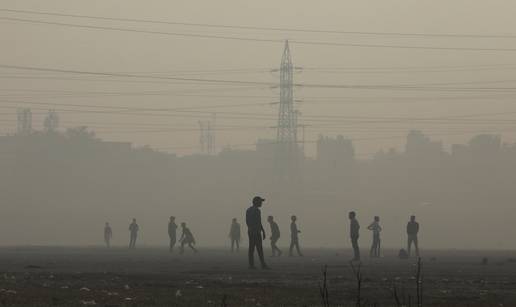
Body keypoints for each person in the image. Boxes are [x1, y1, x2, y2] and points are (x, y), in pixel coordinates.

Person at [245, 196, 269, 269]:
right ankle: (262, 264)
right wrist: (261, 231)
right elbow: (257, 222)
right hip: (255, 231)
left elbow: (248, 222)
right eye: (260, 201)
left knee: (252, 248)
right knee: (259, 248)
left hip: (251, 231)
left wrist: (261, 230)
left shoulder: (249, 210)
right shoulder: (256, 210)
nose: (261, 203)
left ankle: (251, 264)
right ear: (256, 202)